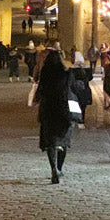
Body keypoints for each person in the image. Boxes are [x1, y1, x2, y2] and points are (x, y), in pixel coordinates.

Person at [35, 44, 77, 184]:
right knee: (63, 142)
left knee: (51, 142)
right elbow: (75, 87)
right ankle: (59, 167)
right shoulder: (65, 74)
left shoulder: (45, 76)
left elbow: (40, 93)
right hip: (63, 111)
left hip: (48, 111)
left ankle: (53, 168)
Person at [70, 52, 93, 128]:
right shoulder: (87, 70)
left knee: (74, 105)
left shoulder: (71, 70)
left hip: (74, 91)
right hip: (84, 91)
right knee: (83, 107)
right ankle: (81, 121)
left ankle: (74, 120)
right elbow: (90, 78)